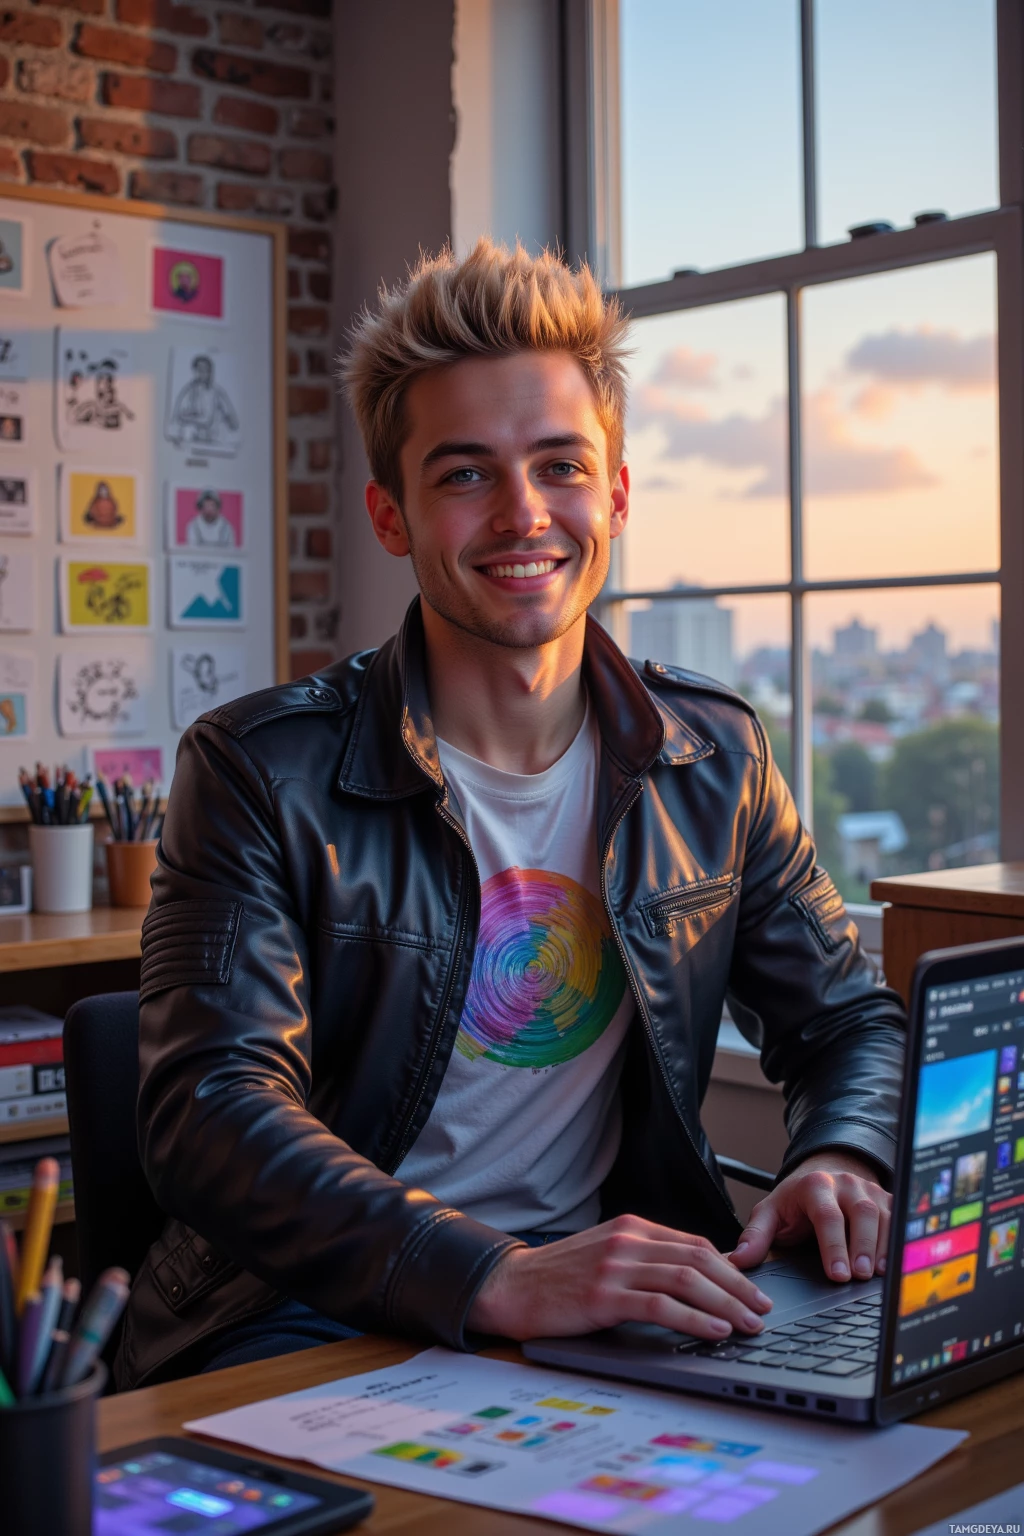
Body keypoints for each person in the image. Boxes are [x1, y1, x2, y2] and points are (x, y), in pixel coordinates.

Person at [117, 241, 905, 1390]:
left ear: (616, 493)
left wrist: (840, 1155)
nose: (523, 515)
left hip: (604, 1303)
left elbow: (847, 1024)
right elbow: (208, 1110)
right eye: (464, 475)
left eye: (559, 466)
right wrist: (486, 1273)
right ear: (392, 516)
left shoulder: (715, 756)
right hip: (310, 1309)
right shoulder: (256, 770)